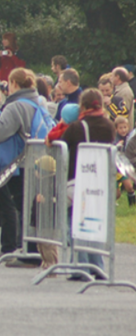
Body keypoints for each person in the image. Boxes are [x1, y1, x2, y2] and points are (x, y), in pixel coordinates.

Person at [60, 90, 116, 279]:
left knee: (75, 222)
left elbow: (62, 146)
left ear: (82, 106)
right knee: (95, 223)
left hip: (78, 179)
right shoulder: (109, 126)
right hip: (99, 181)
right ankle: (97, 266)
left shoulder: (77, 127)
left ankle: (79, 266)